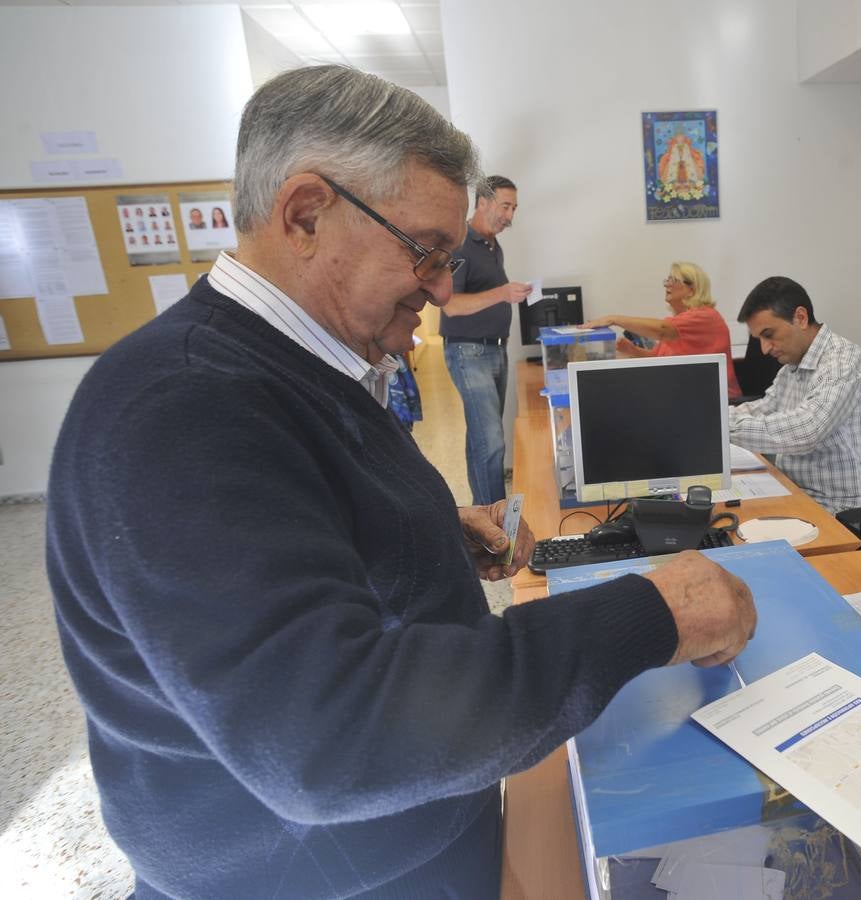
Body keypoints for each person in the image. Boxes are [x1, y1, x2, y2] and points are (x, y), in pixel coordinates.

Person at [46, 65, 756, 899]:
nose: (447, 288)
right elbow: (331, 741)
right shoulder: (181, 411)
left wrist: (423, 530)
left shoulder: (295, 366)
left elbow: (295, 525)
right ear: (307, 214)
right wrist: (652, 613)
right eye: (426, 252)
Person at [728, 275, 861, 513]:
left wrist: (721, 427)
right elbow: (764, 407)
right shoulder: (792, 367)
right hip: (798, 492)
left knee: (738, 533)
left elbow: (806, 431)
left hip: (846, 508)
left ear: (800, 318)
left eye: (769, 334)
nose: (764, 349)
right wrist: (714, 414)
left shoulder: (843, 361)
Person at [438, 174, 531, 505]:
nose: (510, 216)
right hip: (468, 352)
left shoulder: (493, 245)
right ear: (482, 202)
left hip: (495, 350)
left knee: (482, 438)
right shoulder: (461, 243)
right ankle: (498, 525)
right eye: (505, 206)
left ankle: (484, 515)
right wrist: (503, 293)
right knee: (490, 440)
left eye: (514, 208)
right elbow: (450, 305)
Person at [586, 261, 742, 399]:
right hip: (691, 395)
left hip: (718, 401)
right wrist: (632, 350)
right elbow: (657, 358)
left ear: (692, 289)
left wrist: (614, 319)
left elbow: (661, 329)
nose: (667, 284)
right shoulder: (680, 322)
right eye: (667, 280)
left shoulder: (704, 316)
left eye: (673, 280)